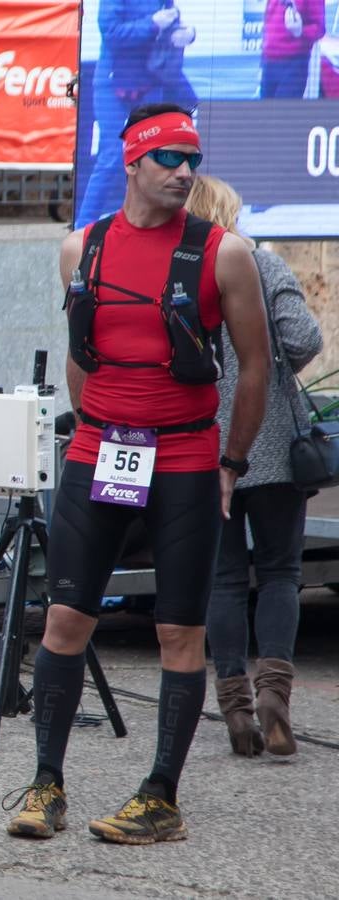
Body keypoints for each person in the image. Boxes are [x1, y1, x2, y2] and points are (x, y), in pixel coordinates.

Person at [5, 104, 270, 845]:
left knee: (179, 634)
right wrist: (94, 429)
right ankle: (46, 783)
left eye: (192, 158)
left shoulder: (225, 254)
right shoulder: (80, 250)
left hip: (186, 459)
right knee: (63, 619)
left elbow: (256, 367)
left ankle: (161, 797)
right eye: (169, 159)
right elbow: (81, 353)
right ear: (132, 163)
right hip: (98, 453)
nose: (185, 172)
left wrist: (232, 463)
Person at [186, 175, 322, 757]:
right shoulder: (261, 267)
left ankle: (236, 708)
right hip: (270, 447)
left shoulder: (179, 275)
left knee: (220, 578)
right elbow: (304, 336)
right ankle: (275, 699)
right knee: (280, 572)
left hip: (200, 445)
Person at [77, 0, 198, 226]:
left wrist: (187, 34)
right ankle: (82, 227)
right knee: (111, 156)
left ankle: (149, 222)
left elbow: (171, 20)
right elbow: (111, 33)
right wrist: (151, 24)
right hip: (112, 82)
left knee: (152, 156)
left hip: (150, 81)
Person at [261, 0, 326, 98]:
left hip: (293, 65)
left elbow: (320, 29)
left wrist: (301, 31)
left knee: (284, 112)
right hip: (268, 64)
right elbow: (269, 19)